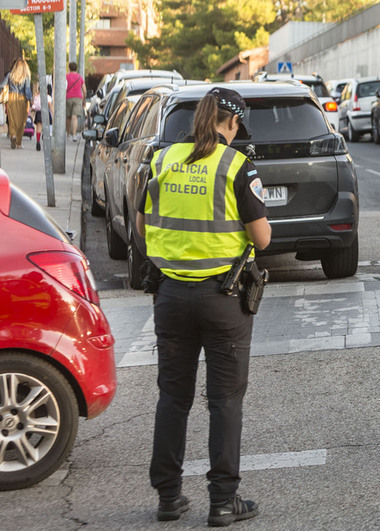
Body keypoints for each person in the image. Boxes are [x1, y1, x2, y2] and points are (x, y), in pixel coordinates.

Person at [137, 86, 270, 526]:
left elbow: (140, 224)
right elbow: (263, 237)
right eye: (236, 127)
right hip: (223, 301)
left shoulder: (162, 159)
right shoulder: (236, 165)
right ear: (230, 122)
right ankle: (223, 501)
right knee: (225, 401)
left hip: (170, 297)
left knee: (173, 398)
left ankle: (169, 499)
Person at [1, 57, 33, 149]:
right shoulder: (26, 76)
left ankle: (13, 136)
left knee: (12, 120)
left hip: (11, 97)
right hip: (22, 99)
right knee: (21, 121)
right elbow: (27, 90)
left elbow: (2, 85)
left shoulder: (10, 75)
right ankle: (18, 143)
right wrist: (30, 99)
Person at [66, 61, 85, 142]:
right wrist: (83, 99)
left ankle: (68, 134)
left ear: (69, 68)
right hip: (78, 98)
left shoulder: (66, 76)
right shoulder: (80, 77)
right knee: (75, 117)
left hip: (68, 97)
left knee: (68, 117)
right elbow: (84, 90)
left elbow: (64, 87)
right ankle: (74, 135)